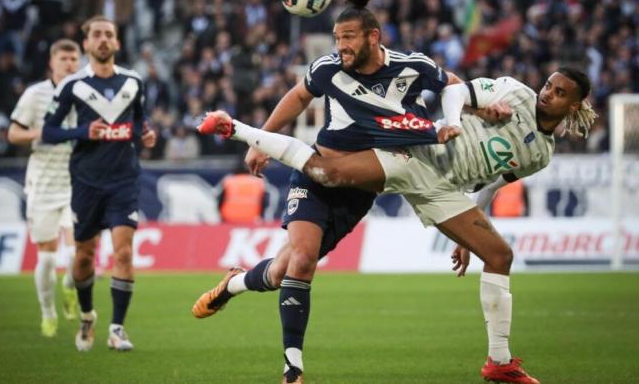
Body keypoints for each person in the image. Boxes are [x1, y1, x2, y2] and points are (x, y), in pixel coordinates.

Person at [197, 68, 597, 384]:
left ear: (575, 106)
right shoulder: (515, 92)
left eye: (560, 93)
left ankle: (498, 362)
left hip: (445, 190)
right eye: (549, 84)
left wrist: (471, 234)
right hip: (418, 153)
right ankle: (236, 128)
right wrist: (454, 119)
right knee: (327, 174)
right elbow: (456, 90)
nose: (548, 93)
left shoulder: (541, 154)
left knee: (498, 254)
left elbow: (493, 182)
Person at [192, 0, 472, 384]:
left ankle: (234, 284)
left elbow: (456, 87)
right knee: (303, 262)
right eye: (338, 37)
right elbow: (298, 96)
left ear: (373, 37)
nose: (341, 45)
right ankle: (293, 369)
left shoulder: (412, 67)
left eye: (349, 37)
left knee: (280, 272)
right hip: (316, 173)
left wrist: (471, 112)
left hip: (360, 191)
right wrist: (263, 141)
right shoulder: (327, 70)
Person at [42, 16, 157, 352]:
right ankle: (88, 315)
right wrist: (82, 132)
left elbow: (138, 122)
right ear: (87, 44)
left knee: (123, 252)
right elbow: (49, 131)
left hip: (124, 180)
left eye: (109, 34)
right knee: (84, 257)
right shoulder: (72, 86)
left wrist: (145, 134)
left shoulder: (134, 82)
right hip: (87, 181)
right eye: (97, 34)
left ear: (117, 43)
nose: (104, 39)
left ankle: (117, 329)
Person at [8, 39, 82, 337]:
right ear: (52, 62)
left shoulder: (85, 93)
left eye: (74, 59)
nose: (69, 64)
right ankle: (48, 311)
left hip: (76, 183)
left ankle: (69, 287)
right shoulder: (35, 94)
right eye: (63, 58)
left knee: (79, 255)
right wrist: (43, 132)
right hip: (42, 184)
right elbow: (13, 133)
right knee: (48, 257)